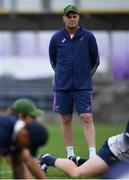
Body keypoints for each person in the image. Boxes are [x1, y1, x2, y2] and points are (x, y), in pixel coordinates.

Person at [49, 4, 100, 159]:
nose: (72, 19)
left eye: (74, 16)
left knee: (86, 117)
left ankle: (92, 155)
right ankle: (70, 154)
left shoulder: (88, 37)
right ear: (64, 19)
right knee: (65, 119)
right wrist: (59, 75)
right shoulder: (56, 38)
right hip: (62, 86)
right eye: (69, 17)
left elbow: (95, 60)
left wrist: (85, 76)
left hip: (82, 86)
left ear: (78, 17)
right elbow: (53, 61)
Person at [39, 120, 129, 179]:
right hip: (115, 152)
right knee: (77, 173)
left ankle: (78, 161)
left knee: (108, 174)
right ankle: (47, 159)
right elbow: (127, 139)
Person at [0, 98, 48, 179]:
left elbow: (19, 167)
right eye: (33, 117)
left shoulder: (16, 135)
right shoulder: (3, 132)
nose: (35, 121)